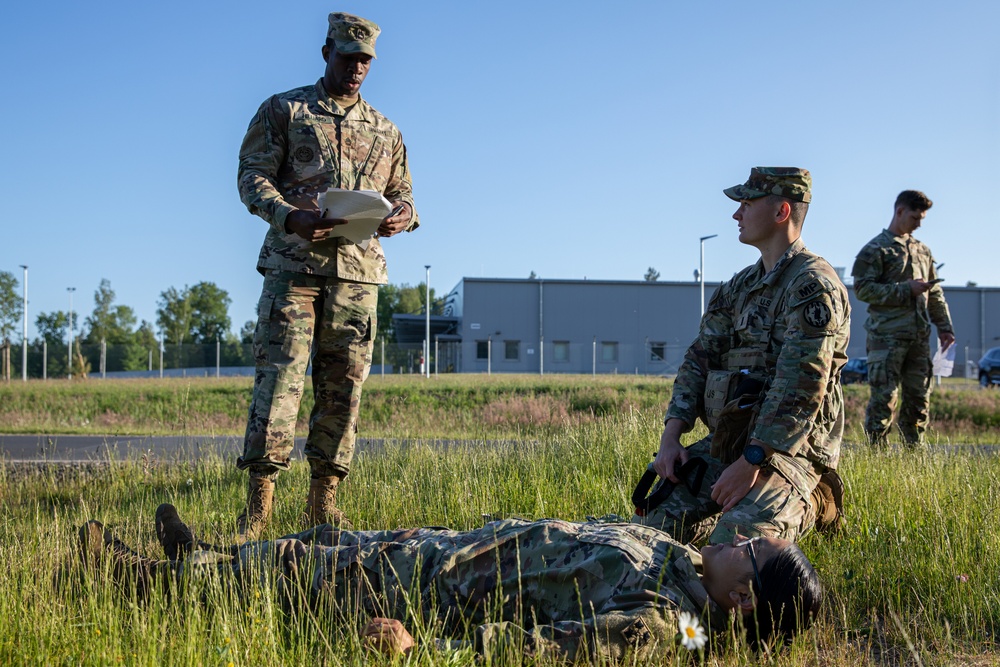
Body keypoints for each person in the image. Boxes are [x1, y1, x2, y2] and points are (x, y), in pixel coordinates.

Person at [76, 503, 823, 661]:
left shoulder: (666, 622)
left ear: (745, 597)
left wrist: (421, 648)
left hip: (434, 593)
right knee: (318, 543)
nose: (746, 537)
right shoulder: (685, 561)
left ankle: (143, 580)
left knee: (301, 573)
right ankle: (197, 559)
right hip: (450, 550)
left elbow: (542, 650)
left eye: (755, 548)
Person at [235, 12, 418, 538]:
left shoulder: (386, 129)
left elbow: (405, 197)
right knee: (280, 383)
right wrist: (290, 215)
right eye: (347, 57)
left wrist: (402, 216)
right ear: (326, 53)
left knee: (343, 390)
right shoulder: (285, 110)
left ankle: (323, 503)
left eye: (365, 60)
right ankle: (260, 507)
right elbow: (252, 177)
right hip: (295, 268)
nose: (357, 67)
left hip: (358, 277)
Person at [633, 168, 850, 545]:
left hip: (789, 450)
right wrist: (671, 439)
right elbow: (698, 360)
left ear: (782, 212)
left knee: (739, 542)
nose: (736, 215)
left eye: (746, 205)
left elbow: (801, 387)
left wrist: (753, 461)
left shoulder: (813, 287)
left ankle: (814, 500)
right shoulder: (737, 288)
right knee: (654, 527)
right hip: (731, 442)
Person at [851, 190, 954, 448]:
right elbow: (862, 289)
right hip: (886, 338)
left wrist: (944, 327)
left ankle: (913, 454)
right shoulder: (876, 249)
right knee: (884, 399)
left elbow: (935, 293)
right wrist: (905, 289)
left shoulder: (923, 251)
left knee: (919, 398)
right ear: (899, 212)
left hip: (919, 338)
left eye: (922, 219)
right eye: (915, 217)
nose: (919, 223)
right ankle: (876, 455)